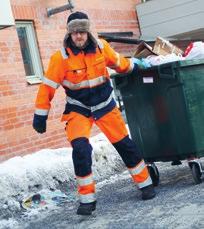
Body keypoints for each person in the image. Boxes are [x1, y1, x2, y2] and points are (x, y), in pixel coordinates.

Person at [33, 11, 156, 216]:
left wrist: (135, 67)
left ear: (87, 31)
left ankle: (146, 184)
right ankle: (87, 200)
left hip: (105, 106)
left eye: (82, 31)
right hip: (79, 109)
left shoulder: (101, 47)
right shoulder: (60, 58)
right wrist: (40, 115)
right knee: (80, 149)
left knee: (125, 145)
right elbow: (47, 88)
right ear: (69, 34)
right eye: (75, 33)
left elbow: (119, 62)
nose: (79, 36)